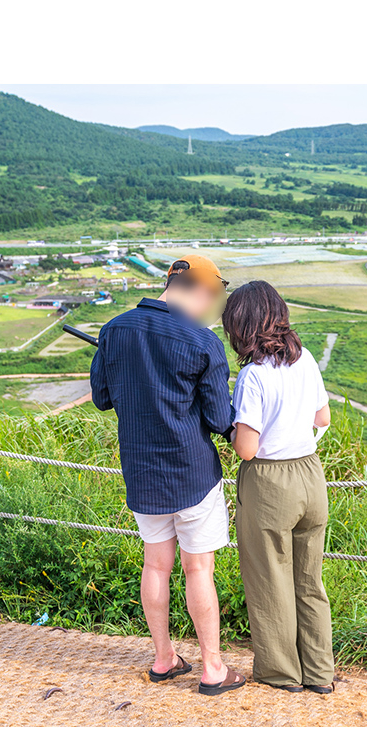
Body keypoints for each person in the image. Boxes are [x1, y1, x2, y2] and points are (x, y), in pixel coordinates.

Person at [90, 254, 246, 696]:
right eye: (213, 296)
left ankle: (163, 659)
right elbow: (219, 418)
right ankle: (213, 669)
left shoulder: (114, 330)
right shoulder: (201, 341)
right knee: (198, 569)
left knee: (155, 565)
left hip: (141, 473)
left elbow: (103, 398)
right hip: (193, 474)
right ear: (199, 288)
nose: (210, 306)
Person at [223, 280, 335, 694]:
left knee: (270, 581)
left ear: (241, 326)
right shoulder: (304, 360)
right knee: (310, 583)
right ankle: (320, 674)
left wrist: (232, 426)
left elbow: (247, 450)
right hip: (310, 475)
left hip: (270, 482)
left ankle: (281, 674)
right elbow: (322, 418)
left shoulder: (253, 375)